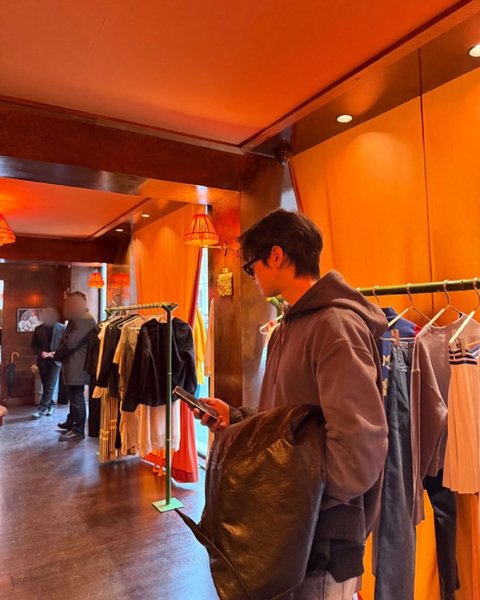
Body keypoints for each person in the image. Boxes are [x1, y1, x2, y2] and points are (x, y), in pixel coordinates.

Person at [197, 209, 389, 600]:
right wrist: (237, 418)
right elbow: (288, 419)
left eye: (251, 266)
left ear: (277, 255)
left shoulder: (335, 326)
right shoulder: (287, 326)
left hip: (322, 539)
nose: (251, 276)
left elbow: (360, 446)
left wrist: (301, 496)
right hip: (287, 533)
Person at [54, 291, 96, 441]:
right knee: (73, 395)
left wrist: (56, 354)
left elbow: (70, 342)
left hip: (78, 365)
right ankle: (71, 421)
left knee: (77, 397)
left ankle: (78, 430)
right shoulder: (78, 318)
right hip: (73, 363)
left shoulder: (84, 319)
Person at [31, 308, 65, 418]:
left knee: (50, 385)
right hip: (42, 361)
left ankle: (41, 410)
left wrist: (57, 353)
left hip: (56, 361)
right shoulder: (38, 329)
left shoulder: (62, 327)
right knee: (46, 385)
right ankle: (51, 406)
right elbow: (33, 345)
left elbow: (65, 344)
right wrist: (41, 353)